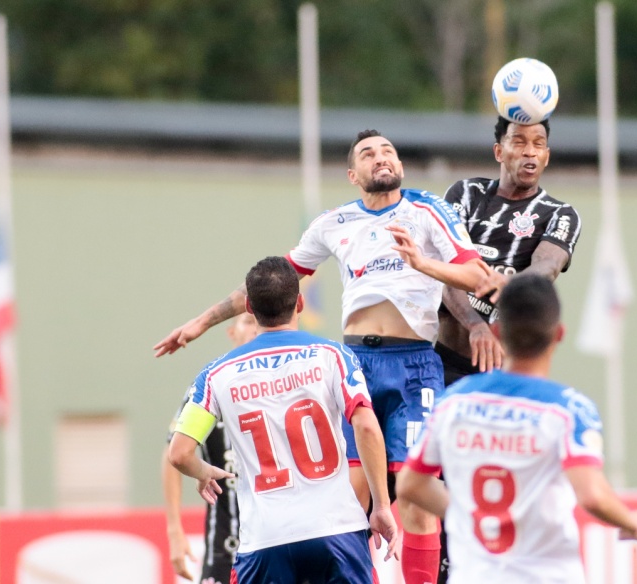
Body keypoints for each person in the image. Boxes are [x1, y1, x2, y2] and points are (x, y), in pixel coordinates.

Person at [156, 131, 503, 584]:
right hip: (357, 362)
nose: (381, 158)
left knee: (417, 495)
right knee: (350, 499)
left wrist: (424, 266)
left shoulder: (428, 210)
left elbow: (479, 276)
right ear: (352, 175)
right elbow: (273, 282)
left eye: (388, 151)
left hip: (414, 366)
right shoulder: (333, 223)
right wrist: (202, 322)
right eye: (368, 153)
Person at [396, 274, 637, 583]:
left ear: (497, 332)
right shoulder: (567, 410)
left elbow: (410, 484)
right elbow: (592, 496)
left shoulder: (454, 401)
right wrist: (634, 521)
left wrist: (469, 515)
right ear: (558, 334)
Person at [168, 256, 399, 584]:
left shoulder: (215, 374)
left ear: (248, 307)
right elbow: (364, 425)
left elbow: (178, 454)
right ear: (300, 303)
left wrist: (203, 472)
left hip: (265, 539)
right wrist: (382, 505)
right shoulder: (334, 356)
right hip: (337, 531)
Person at [437, 116, 581, 384]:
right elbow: (448, 271)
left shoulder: (560, 214)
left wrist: (511, 283)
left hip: (503, 372)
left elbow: (547, 266)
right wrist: (475, 325)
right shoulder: (466, 193)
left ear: (546, 156)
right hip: (444, 362)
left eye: (539, 144)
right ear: (499, 152)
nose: (530, 151)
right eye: (519, 141)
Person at [161, 312, 257, 584]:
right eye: (248, 322)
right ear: (232, 332)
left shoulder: (280, 381)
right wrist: (174, 530)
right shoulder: (212, 385)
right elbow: (173, 451)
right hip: (224, 550)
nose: (255, 330)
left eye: (259, 324)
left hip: (275, 543)